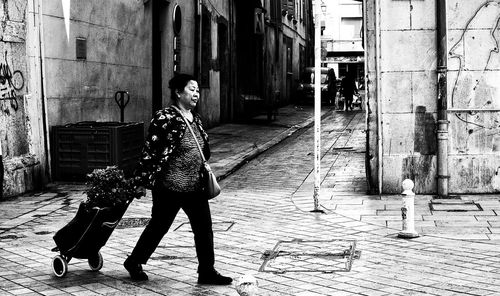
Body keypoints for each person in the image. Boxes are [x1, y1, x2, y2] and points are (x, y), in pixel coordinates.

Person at [124, 73, 232, 285]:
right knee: (159, 226)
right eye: (192, 90)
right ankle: (134, 261)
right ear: (178, 92)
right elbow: (150, 152)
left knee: (204, 229)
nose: (196, 94)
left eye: (198, 91)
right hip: (169, 187)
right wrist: (140, 182)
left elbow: (204, 149)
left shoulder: (195, 118)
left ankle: (206, 271)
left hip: (194, 186)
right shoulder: (164, 118)